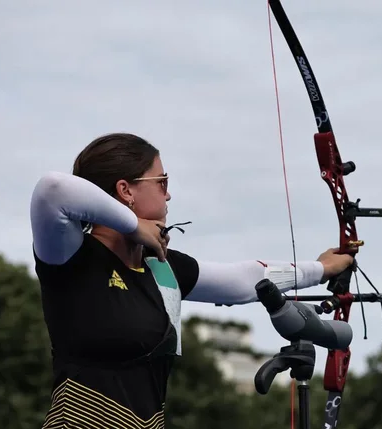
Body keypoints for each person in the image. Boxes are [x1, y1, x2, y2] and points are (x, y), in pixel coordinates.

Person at [30, 132, 354, 428]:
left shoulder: (162, 267)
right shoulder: (71, 255)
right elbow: (53, 190)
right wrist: (133, 225)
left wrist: (320, 269)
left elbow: (246, 280)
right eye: (162, 182)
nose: (169, 196)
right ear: (126, 190)